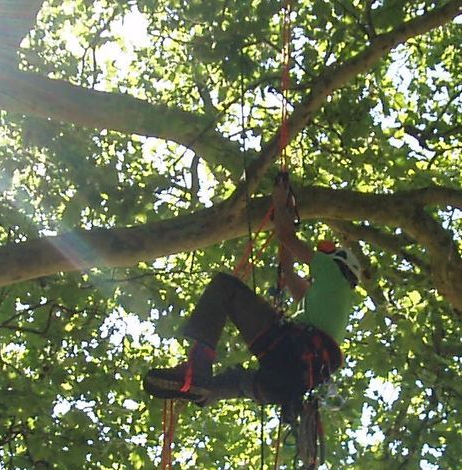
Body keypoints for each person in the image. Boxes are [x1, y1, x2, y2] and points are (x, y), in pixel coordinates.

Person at [143, 177, 362, 417]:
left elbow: (288, 239)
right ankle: (203, 392)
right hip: (287, 383)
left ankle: (197, 367)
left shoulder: (334, 272)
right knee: (235, 381)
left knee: (225, 288)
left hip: (288, 352)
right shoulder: (329, 303)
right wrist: (284, 215)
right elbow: (288, 272)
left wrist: (279, 202)